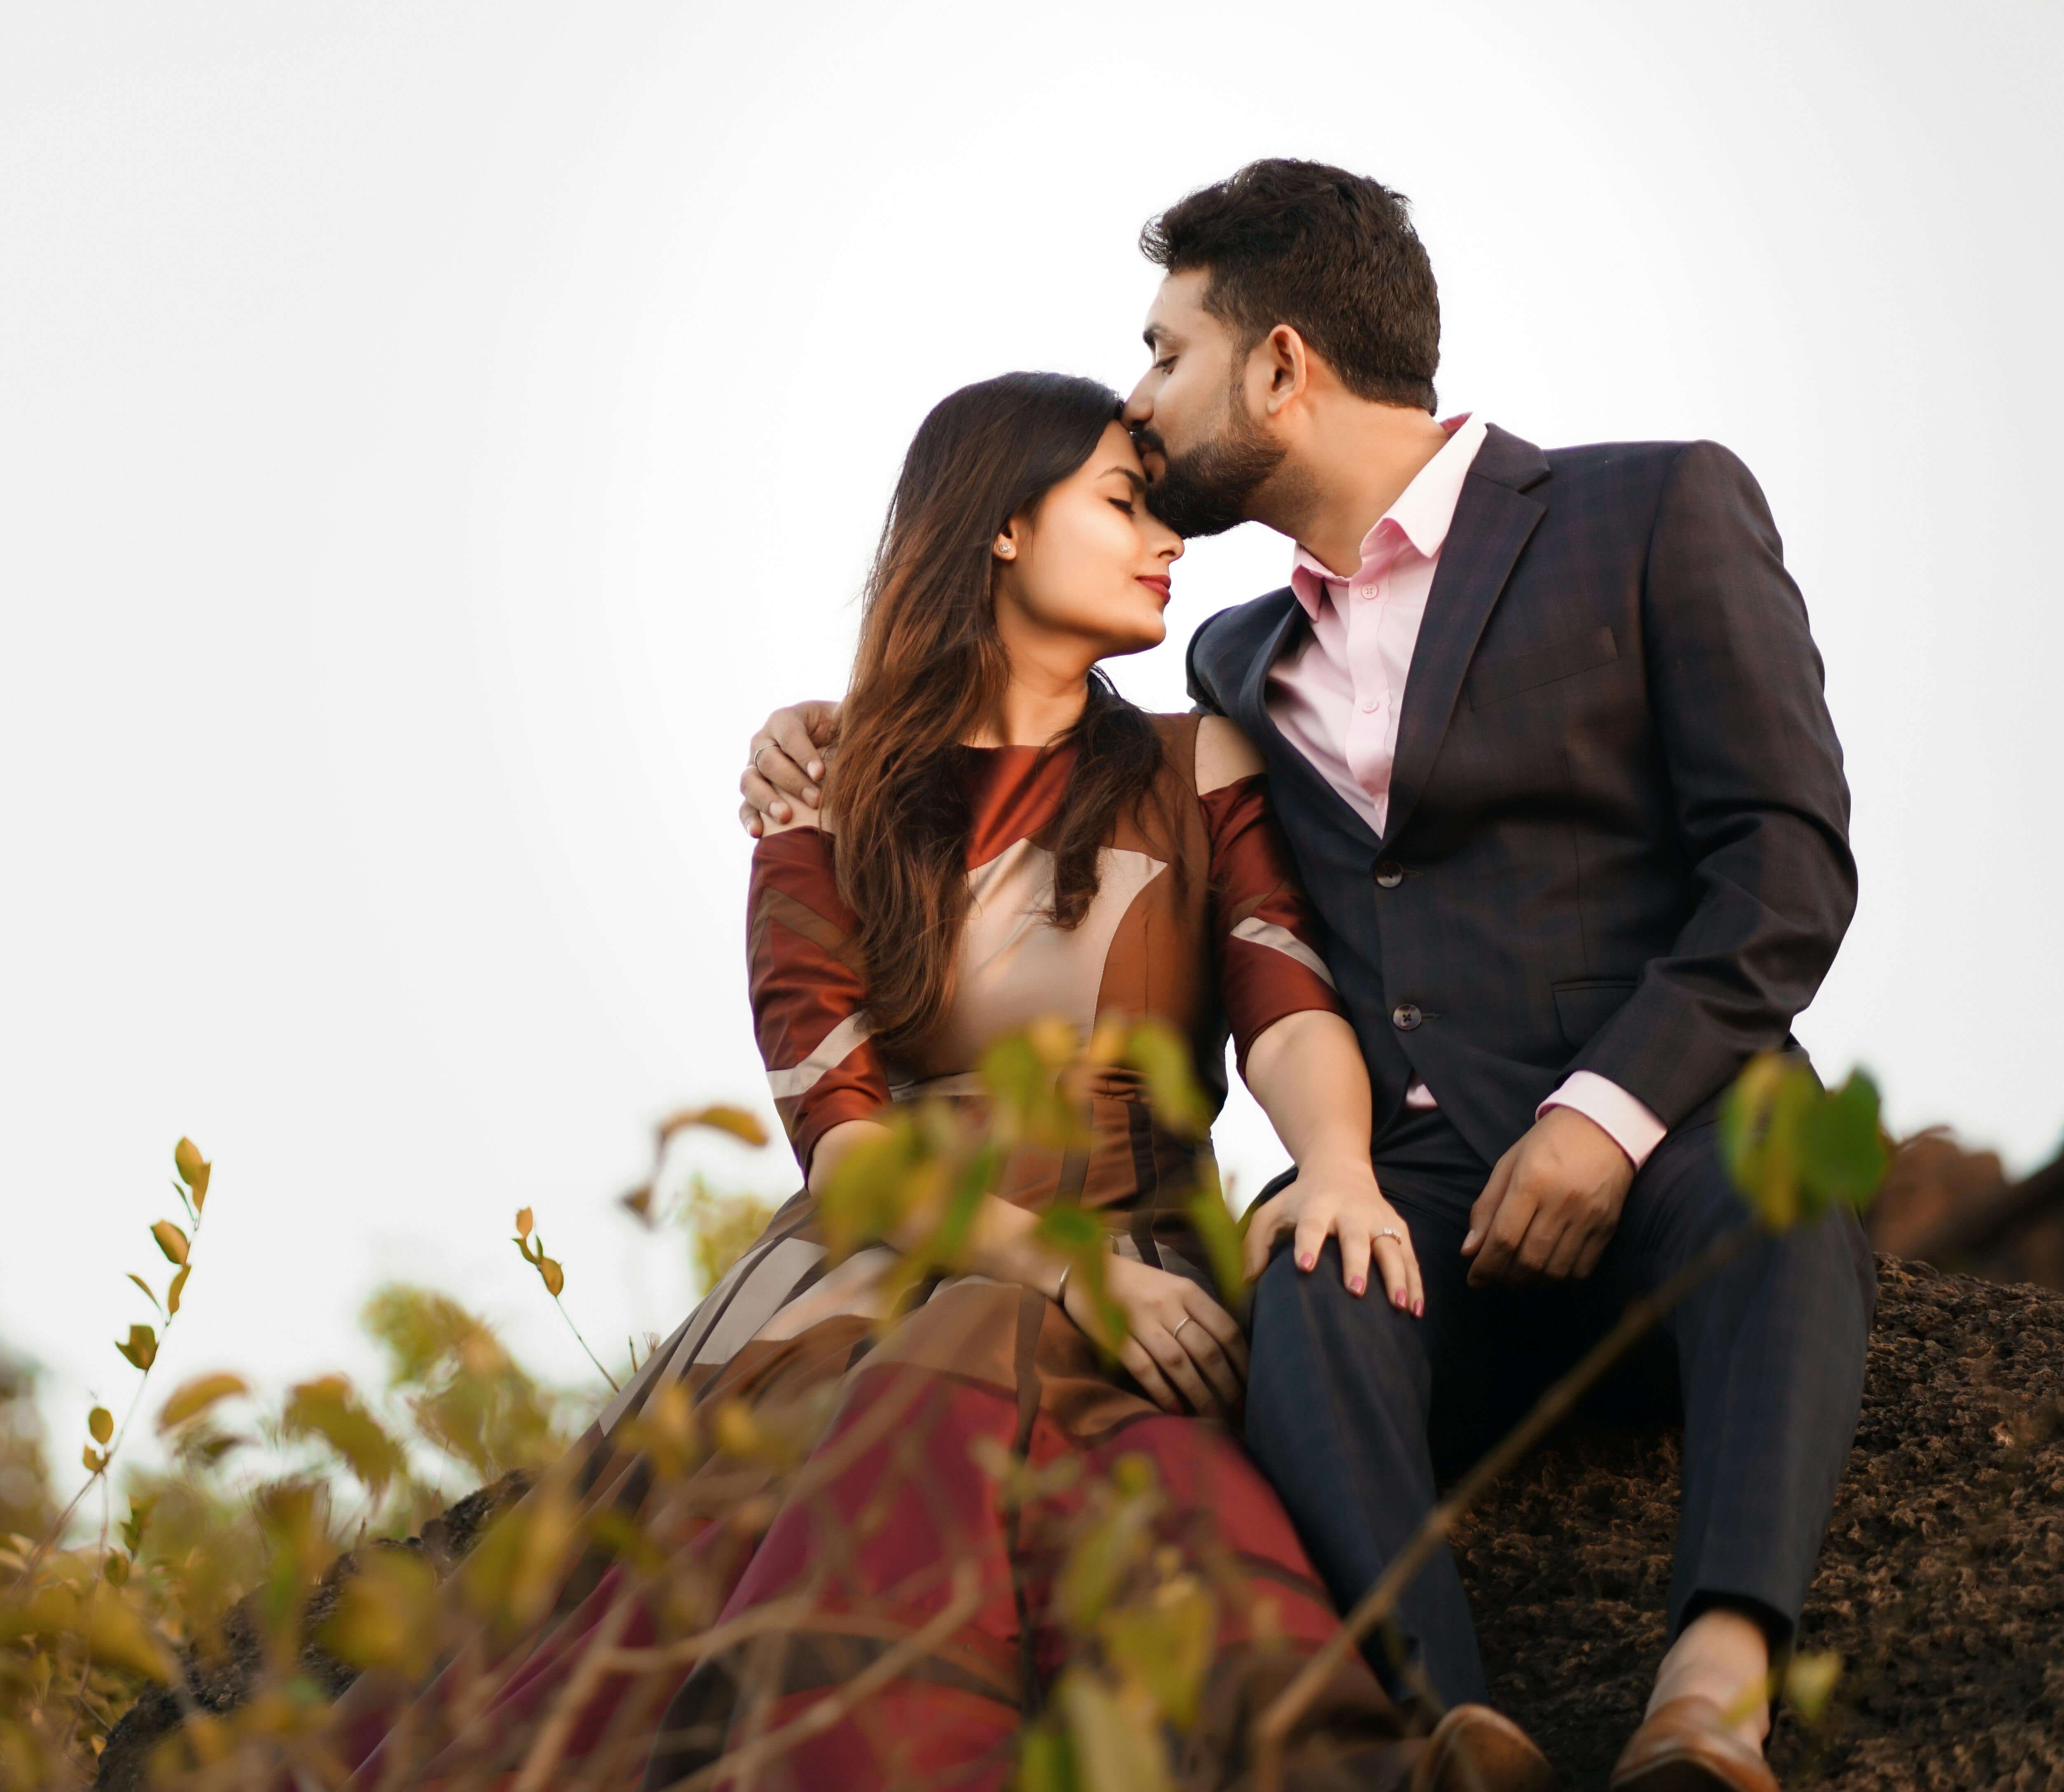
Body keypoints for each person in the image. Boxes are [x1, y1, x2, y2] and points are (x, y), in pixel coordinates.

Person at [740, 162, 1871, 1792]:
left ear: (1279, 364)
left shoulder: (1652, 510)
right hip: (1411, 1184)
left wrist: (1600, 1119)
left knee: (1781, 1184)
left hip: (1663, 1138)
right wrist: (843, 729)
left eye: (1161, 352)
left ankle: (1709, 1690)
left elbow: (1782, 861)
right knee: (1308, 1291)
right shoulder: (1228, 662)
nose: (1141, 400)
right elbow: (1046, 753)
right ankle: (1435, 1719)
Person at [330, 373, 1544, 1791]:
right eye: (1121, 501)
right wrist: (1074, 1281)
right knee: (994, 1427)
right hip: (874, 1279)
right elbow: (843, 1144)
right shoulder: (824, 805)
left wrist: (1335, 1164)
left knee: (1155, 1484)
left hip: (1145, 1248)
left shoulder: (1194, 759)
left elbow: (1284, 1003)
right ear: (1001, 528)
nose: (1171, 539)